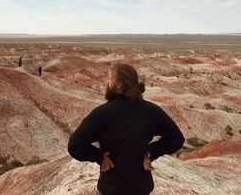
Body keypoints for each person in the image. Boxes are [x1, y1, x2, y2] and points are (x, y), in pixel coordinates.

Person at [67, 62, 185, 195]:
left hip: (110, 188)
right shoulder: (151, 111)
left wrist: (99, 157)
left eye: (110, 79)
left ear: (118, 84)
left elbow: (74, 146)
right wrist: (150, 153)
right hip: (140, 187)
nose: (108, 83)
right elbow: (176, 139)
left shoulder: (101, 113)